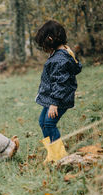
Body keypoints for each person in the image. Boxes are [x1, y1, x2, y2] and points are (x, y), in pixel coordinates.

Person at [34, 20, 82, 161]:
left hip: (58, 98)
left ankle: (59, 156)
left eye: (43, 44)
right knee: (42, 121)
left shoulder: (59, 59)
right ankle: (52, 153)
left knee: (49, 123)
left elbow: (60, 82)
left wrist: (54, 103)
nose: (44, 48)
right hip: (53, 97)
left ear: (50, 39)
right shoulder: (62, 52)